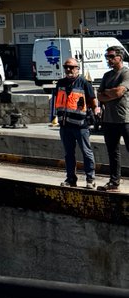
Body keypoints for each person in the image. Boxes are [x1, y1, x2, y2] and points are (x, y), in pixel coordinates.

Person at [50, 58, 97, 189]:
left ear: (78, 68)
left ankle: (90, 179)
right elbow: (56, 101)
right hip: (65, 125)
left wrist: (95, 114)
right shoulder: (60, 83)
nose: (68, 69)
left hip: (80, 125)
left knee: (86, 152)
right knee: (68, 154)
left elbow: (93, 101)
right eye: (66, 67)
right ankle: (71, 179)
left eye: (71, 67)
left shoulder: (84, 83)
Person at [96, 47, 129, 192]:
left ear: (119, 57)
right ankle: (114, 182)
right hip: (109, 119)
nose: (108, 60)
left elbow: (119, 92)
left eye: (111, 57)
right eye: (106, 57)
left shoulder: (126, 73)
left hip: (125, 119)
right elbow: (99, 96)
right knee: (113, 152)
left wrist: (107, 93)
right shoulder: (107, 75)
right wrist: (111, 93)